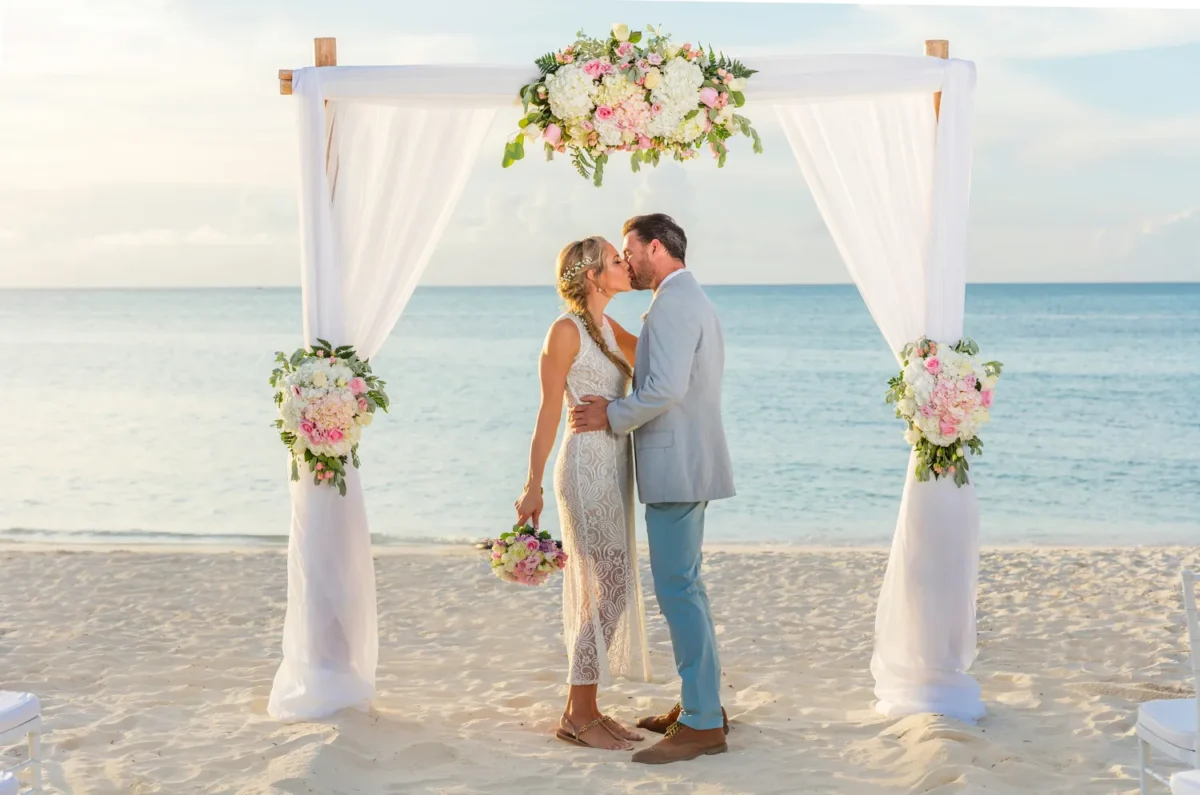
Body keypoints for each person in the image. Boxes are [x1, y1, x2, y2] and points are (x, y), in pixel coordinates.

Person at [570, 213, 735, 765]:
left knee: (678, 591)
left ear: (656, 248)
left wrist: (612, 414)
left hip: (677, 465)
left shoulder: (672, 302)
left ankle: (702, 723)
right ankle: (701, 704)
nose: (626, 260)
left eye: (629, 250)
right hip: (691, 461)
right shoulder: (687, 298)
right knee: (688, 587)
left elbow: (663, 387)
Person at [514, 235, 653, 751]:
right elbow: (549, 410)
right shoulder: (565, 330)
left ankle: (585, 707)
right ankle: (577, 711)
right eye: (616, 261)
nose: (625, 265)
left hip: (616, 463)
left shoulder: (609, 327)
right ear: (593, 276)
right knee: (610, 584)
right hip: (585, 466)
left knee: (610, 586)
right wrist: (531, 485)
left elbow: (657, 364)